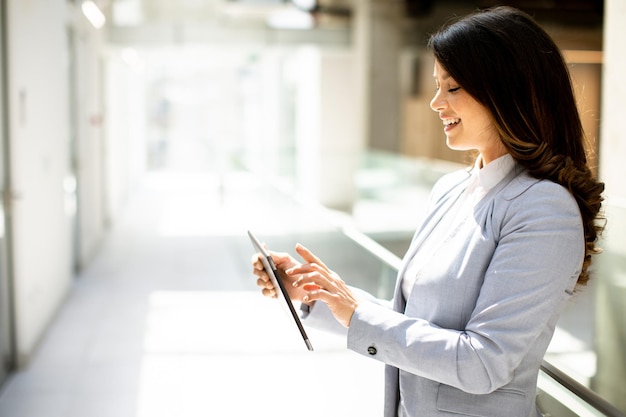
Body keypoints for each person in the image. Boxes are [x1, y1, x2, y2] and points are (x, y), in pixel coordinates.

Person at [251, 6, 605, 417]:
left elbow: (484, 362)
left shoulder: (544, 209)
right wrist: (317, 292)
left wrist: (359, 314)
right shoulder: (451, 190)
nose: (436, 102)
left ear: (506, 92)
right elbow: (412, 320)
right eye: (438, 85)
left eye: (452, 87)